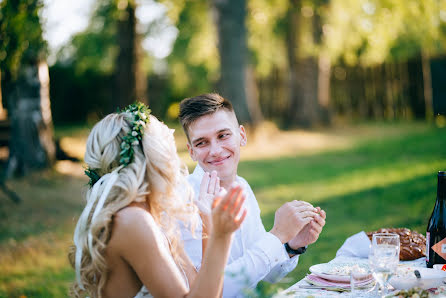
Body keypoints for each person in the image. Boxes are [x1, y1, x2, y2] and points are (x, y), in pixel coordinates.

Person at [69, 102, 247, 298]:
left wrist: (209, 225)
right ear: (155, 158)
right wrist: (222, 237)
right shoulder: (132, 220)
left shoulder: (156, 221)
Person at [178, 93, 327, 297]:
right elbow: (216, 290)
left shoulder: (242, 187)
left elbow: (265, 274)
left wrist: (292, 245)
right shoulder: (183, 202)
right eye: (202, 143)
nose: (215, 150)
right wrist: (277, 236)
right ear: (191, 151)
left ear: (242, 136)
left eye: (223, 135)